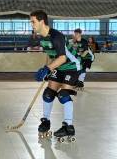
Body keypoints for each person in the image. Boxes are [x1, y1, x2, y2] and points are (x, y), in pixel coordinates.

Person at [30, 10, 81, 142]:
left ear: (41, 21)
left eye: (33, 22)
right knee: (48, 94)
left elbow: (63, 58)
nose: (31, 24)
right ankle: (45, 121)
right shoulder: (43, 38)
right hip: (58, 66)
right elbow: (51, 55)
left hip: (71, 67)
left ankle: (68, 126)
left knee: (63, 95)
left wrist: (48, 69)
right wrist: (46, 69)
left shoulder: (56, 36)